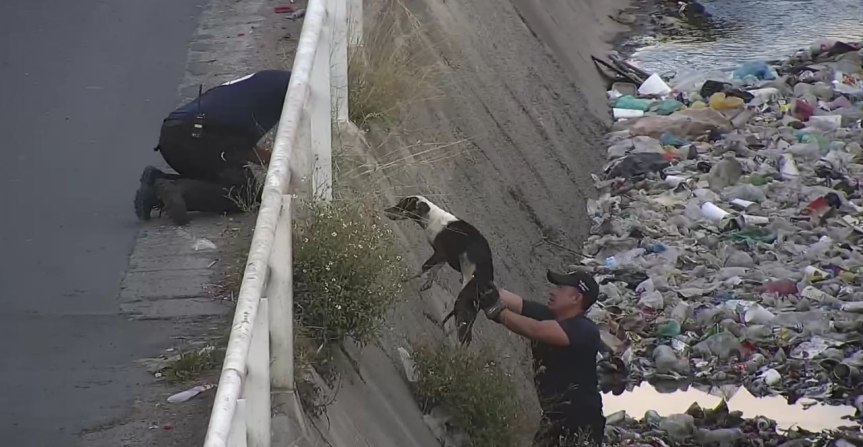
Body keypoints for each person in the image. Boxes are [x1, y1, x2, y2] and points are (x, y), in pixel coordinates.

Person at [134, 69, 292, 224]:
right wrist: (284, 165)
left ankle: (157, 183)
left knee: (238, 185)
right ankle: (176, 190)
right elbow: (237, 147)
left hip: (175, 133)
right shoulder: (290, 91)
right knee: (245, 195)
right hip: (195, 138)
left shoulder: (268, 81)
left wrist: (276, 162)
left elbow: (235, 144)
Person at [480, 269, 605, 446]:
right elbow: (514, 301)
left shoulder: (585, 330)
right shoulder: (552, 317)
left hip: (580, 424)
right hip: (553, 417)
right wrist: (480, 283)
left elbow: (536, 330)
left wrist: (498, 312)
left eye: (561, 288)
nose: (553, 291)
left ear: (576, 298)